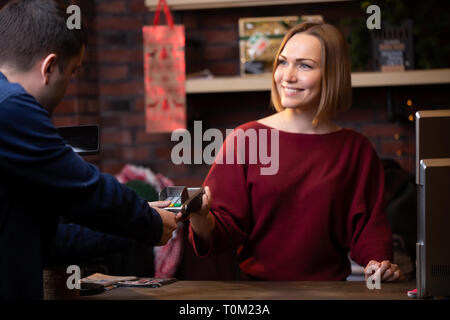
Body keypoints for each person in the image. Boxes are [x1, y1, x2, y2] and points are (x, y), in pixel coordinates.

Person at [188, 22, 405, 282]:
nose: (287, 76)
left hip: (331, 293)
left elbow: (370, 232)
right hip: (257, 294)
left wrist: (379, 266)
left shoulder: (356, 149)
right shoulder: (246, 139)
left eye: (304, 65)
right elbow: (221, 231)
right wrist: (200, 218)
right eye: (282, 62)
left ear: (332, 74)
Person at [0, 0, 177, 299]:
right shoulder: (11, 108)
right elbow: (87, 190)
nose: (70, 83)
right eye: (73, 72)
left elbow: (44, 240)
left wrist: (143, 220)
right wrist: (150, 223)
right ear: (50, 67)